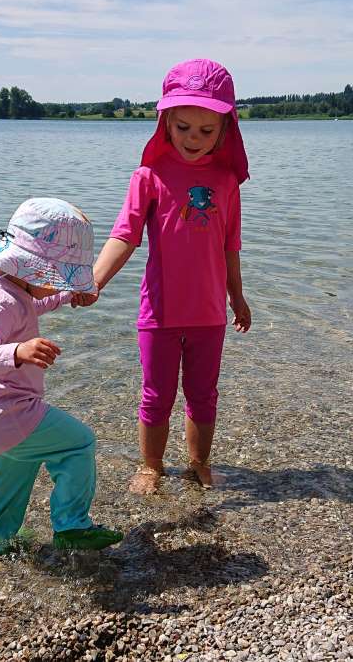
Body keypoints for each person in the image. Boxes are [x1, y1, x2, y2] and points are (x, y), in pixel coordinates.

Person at [87, 58, 252, 494]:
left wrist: (238, 297)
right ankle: (151, 465)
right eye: (183, 128)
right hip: (158, 313)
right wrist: (95, 281)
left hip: (209, 314)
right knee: (156, 396)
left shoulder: (226, 182)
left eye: (206, 131)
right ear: (165, 122)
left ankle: (198, 462)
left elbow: (229, 245)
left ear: (225, 130)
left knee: (203, 396)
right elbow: (124, 235)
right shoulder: (148, 176)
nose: (193, 140)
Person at [0, 197, 124, 557]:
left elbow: (30, 305)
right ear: (34, 269)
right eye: (56, 278)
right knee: (78, 444)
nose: (54, 284)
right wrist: (17, 353)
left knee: (7, 483)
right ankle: (72, 526)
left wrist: (66, 295)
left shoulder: (5, 287)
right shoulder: (1, 302)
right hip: (12, 411)